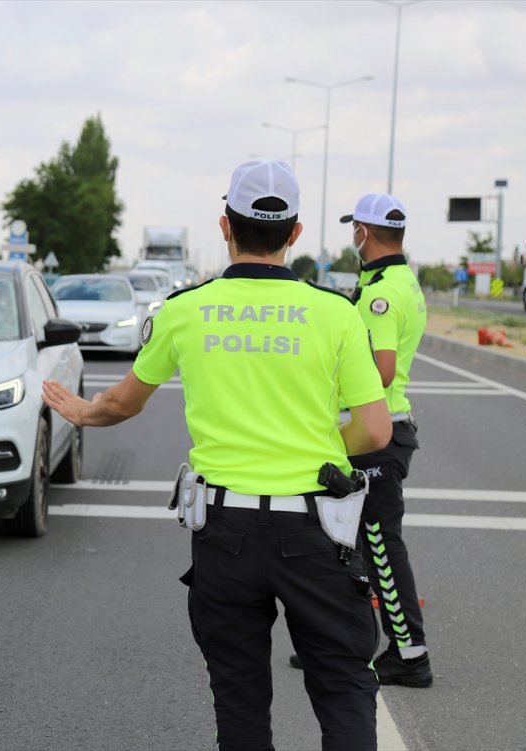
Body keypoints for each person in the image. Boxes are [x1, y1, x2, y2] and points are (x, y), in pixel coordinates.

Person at [41, 159, 392, 751]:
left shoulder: (185, 309)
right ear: (296, 232)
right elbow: (376, 431)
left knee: (239, 699)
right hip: (315, 531)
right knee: (342, 688)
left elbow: (123, 404)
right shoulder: (336, 313)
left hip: (224, 533)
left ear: (225, 226)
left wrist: (81, 412)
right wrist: (322, 450)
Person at [291, 193, 432, 687]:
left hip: (376, 434)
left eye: (354, 228)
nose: (352, 235)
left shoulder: (380, 294)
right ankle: (334, 640)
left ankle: (410, 655)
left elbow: (382, 367)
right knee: (339, 538)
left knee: (377, 543)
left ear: (364, 233)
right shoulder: (399, 281)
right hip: (382, 431)